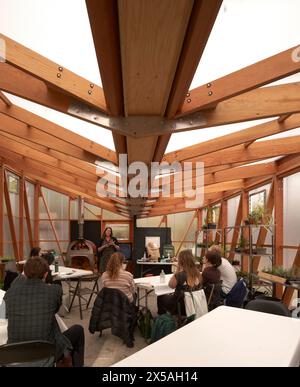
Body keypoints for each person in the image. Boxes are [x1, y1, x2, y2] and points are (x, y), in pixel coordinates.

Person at [4, 257, 85, 367]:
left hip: (14, 357)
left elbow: (14, 286)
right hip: (45, 354)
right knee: (78, 330)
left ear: (24, 274)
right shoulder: (54, 291)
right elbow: (55, 309)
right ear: (46, 274)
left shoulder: (10, 293)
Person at [157, 249, 201, 316]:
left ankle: (164, 320)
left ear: (181, 261)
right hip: (194, 304)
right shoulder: (198, 273)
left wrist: (178, 270)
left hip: (180, 306)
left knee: (160, 297)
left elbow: (171, 285)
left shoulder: (180, 275)